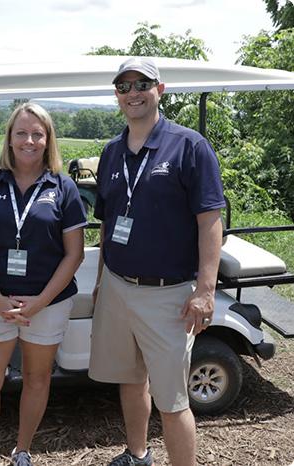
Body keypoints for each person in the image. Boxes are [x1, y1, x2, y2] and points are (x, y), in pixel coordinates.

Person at [88, 57, 225, 466]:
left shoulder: (189, 146)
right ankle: (137, 453)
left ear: (159, 90)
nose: (133, 93)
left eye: (141, 84)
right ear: (117, 96)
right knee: (131, 380)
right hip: (117, 286)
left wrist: (205, 290)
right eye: (124, 86)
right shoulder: (111, 152)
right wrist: (100, 282)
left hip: (169, 294)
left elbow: (210, 222)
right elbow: (108, 224)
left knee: (173, 399)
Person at [0, 103, 86, 466]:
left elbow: (74, 255)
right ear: (10, 138)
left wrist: (38, 304)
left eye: (38, 133)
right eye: (21, 133)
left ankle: (22, 451)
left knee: (37, 380)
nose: (29, 140)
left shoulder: (64, 188)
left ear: (48, 139)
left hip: (46, 305)